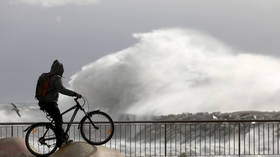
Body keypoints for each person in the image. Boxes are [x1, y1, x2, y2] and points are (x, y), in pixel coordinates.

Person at [36, 60, 82, 147]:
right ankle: (60, 142)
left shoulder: (46, 76)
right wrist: (75, 94)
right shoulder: (56, 78)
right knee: (58, 121)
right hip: (50, 103)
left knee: (58, 121)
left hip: (43, 102)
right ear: (60, 70)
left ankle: (63, 138)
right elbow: (62, 90)